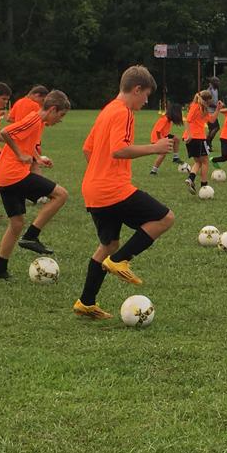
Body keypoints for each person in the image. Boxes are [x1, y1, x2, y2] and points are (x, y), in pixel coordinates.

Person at [74, 66, 176, 320]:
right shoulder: (124, 112)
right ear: (137, 89)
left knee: (108, 245)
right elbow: (119, 150)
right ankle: (120, 260)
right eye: (146, 95)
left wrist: (99, 173)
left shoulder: (107, 110)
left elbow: (87, 149)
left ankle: (86, 302)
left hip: (93, 189)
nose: (146, 101)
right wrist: (155, 148)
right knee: (165, 218)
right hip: (113, 189)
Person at [0, 90, 71, 279]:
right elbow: (5, 132)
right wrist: (19, 155)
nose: (60, 120)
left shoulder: (38, 122)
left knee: (16, 224)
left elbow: (26, 142)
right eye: (61, 115)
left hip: (5, 175)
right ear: (52, 109)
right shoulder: (34, 119)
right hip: (13, 174)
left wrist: (37, 158)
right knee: (61, 194)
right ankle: (31, 236)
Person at [184, 90, 219, 195]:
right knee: (205, 162)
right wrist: (190, 135)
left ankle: (190, 179)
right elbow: (187, 120)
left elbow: (212, 120)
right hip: (197, 138)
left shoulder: (203, 108)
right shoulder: (196, 106)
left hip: (193, 139)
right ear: (207, 100)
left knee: (198, 162)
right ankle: (204, 185)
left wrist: (218, 109)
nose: (210, 102)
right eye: (210, 100)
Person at [149, 103, 184, 175]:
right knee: (163, 153)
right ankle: (153, 170)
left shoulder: (168, 120)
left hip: (164, 136)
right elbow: (158, 131)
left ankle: (175, 158)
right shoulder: (164, 119)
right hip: (157, 138)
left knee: (176, 139)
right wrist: (161, 141)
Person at [205, 76, 222, 147]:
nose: (218, 83)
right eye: (217, 81)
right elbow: (208, 103)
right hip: (209, 112)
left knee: (212, 128)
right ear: (213, 83)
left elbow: (215, 101)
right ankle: (207, 143)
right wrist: (217, 106)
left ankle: (207, 144)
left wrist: (219, 103)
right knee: (215, 128)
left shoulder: (216, 90)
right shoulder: (209, 91)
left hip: (214, 112)